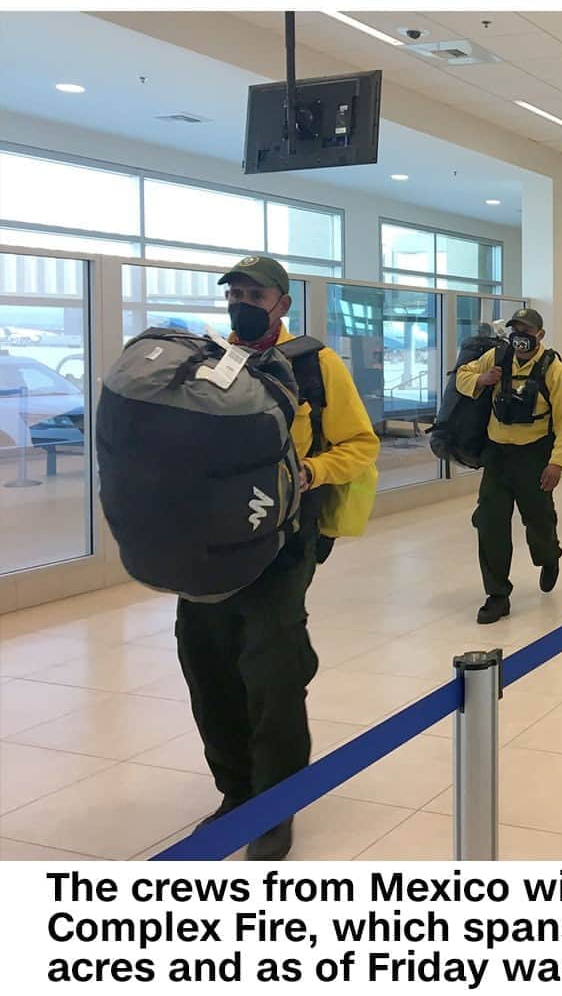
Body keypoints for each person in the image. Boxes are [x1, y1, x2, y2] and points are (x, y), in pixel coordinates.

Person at [176, 256, 379, 862]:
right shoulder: (207, 361)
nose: (242, 301)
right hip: (209, 544)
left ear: (282, 303)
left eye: (254, 292)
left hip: (284, 542)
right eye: (234, 291)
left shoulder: (315, 364)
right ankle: (235, 790)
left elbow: (360, 444)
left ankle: (273, 803)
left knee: (271, 668)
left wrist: (311, 471)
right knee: (206, 660)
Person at [456, 307, 562, 623]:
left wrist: (558, 463)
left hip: (534, 456)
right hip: (497, 456)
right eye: (516, 329)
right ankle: (497, 595)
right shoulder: (498, 357)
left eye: (526, 330)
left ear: (540, 335)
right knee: (490, 523)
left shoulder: (554, 369)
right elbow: (461, 376)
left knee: (538, 521)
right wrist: (482, 379)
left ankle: (549, 557)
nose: (520, 335)